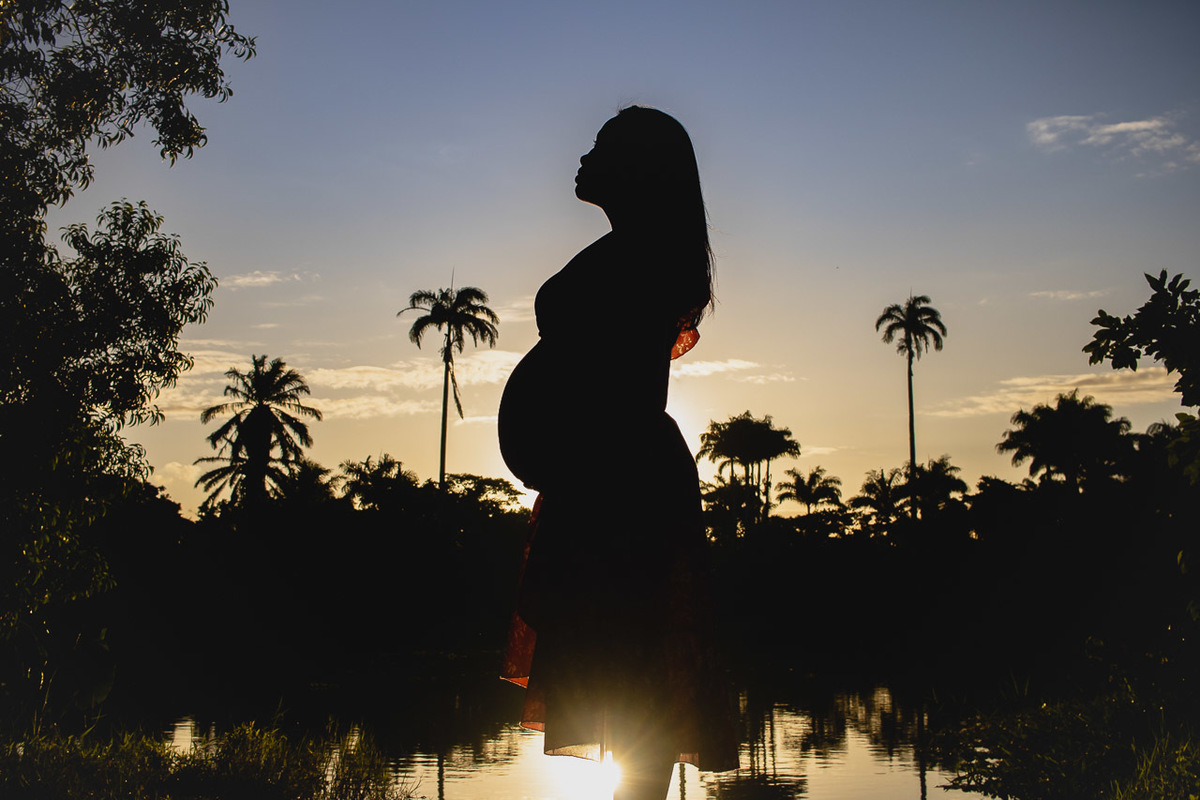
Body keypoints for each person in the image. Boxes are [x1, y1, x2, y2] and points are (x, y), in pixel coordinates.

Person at [498, 106, 738, 800]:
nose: (584, 156)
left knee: (633, 672)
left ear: (637, 168)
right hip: (602, 476)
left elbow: (618, 381)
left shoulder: (643, 255)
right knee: (616, 670)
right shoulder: (635, 249)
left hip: (620, 483)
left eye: (602, 147)